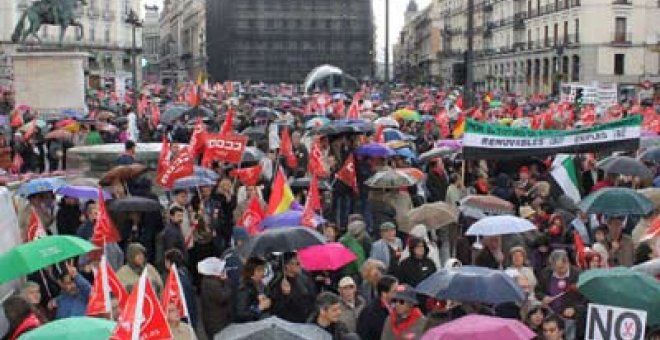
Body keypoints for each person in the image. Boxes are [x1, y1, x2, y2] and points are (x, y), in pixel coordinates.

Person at [269, 252, 316, 323]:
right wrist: (286, 295)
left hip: (306, 321)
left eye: (300, 262)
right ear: (287, 266)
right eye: (297, 263)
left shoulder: (304, 278)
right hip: (288, 323)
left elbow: (312, 297)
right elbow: (276, 309)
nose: (300, 265)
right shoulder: (277, 283)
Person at [198, 257, 233, 339]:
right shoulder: (212, 284)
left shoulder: (207, 280)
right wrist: (226, 282)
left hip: (212, 320)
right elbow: (223, 296)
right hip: (217, 322)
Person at [356, 275, 398, 340]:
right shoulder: (370, 312)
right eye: (394, 291)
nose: (398, 294)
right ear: (384, 293)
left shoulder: (398, 306)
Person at [164, 249, 197, 330]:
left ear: (169, 262)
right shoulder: (184, 272)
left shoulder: (175, 280)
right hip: (191, 313)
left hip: (185, 317)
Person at [235, 257, 271, 322]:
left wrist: (268, 302)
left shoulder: (262, 285)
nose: (262, 273)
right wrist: (259, 308)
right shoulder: (244, 288)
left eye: (263, 269)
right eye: (259, 270)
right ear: (251, 271)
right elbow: (240, 315)